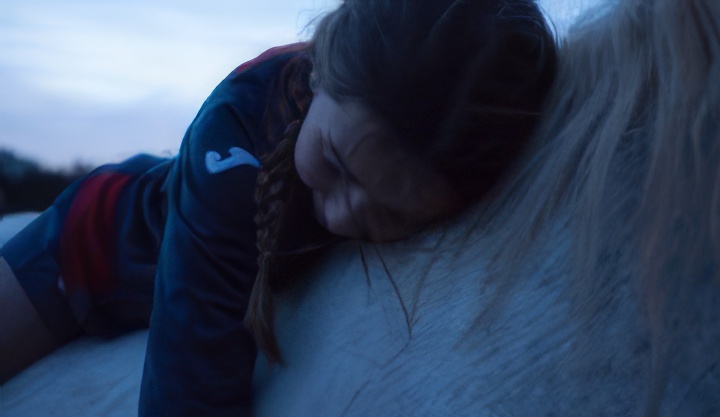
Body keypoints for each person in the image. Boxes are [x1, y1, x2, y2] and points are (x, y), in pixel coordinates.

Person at [0, 0, 556, 415]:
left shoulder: (401, 142)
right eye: (335, 163)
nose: (340, 216)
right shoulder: (233, 138)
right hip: (89, 247)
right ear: (319, 71)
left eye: (394, 214)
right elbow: (190, 386)